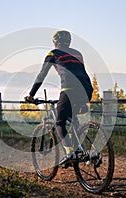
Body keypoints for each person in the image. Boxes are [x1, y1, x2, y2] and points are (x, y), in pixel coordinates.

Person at [26, 30, 93, 165]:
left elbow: (41, 75)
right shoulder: (77, 53)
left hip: (70, 89)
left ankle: (70, 153)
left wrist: (31, 95)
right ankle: (77, 150)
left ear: (55, 42)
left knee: (59, 122)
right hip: (87, 89)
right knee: (73, 118)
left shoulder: (53, 53)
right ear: (69, 42)